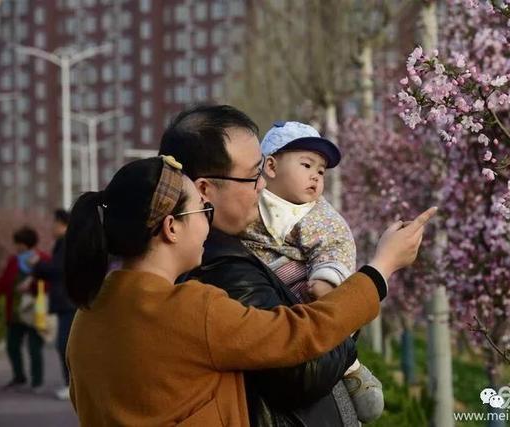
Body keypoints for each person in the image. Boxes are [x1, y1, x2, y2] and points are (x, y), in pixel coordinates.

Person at [64, 155, 436, 426]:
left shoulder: (87, 317)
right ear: (171, 227)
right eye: (201, 212)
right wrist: (381, 268)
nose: (209, 225)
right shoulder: (192, 310)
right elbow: (300, 334)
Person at [159, 104, 434, 426]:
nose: (261, 186)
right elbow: (303, 371)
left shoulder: (231, 250)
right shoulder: (221, 268)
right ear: (205, 189)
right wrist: (380, 270)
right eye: (252, 176)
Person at [240, 120, 384, 423]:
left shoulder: (318, 214)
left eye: (321, 171)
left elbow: (336, 246)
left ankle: (351, 368)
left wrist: (326, 278)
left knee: (327, 338)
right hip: (267, 300)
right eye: (306, 165)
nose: (315, 177)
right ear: (271, 166)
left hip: (308, 296)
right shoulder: (248, 201)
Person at [0, 226, 49, 392]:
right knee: (12, 346)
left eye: (18, 243)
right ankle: (19, 377)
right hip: (15, 312)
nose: (16, 247)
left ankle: (37, 382)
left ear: (25, 244)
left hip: (35, 311)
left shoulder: (43, 259)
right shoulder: (14, 261)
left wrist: (31, 285)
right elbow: (4, 282)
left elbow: (50, 282)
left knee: (34, 347)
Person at [31, 208, 75, 400]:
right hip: (67, 301)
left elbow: (57, 269)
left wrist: (37, 264)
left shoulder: (66, 243)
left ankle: (71, 385)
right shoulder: (64, 243)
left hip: (68, 301)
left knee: (64, 345)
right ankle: (71, 384)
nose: (51, 227)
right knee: (64, 344)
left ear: (61, 224)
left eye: (54, 223)